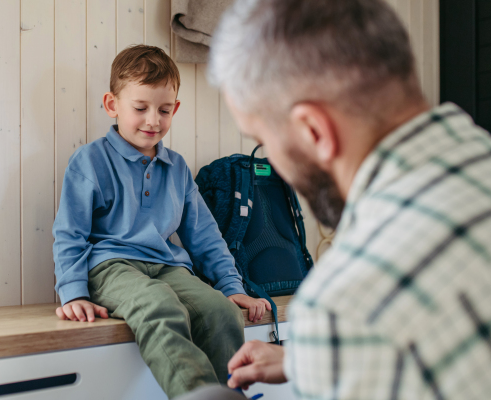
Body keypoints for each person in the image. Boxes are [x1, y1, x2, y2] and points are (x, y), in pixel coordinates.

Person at [176, 0, 491, 399]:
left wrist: (328, 350)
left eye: (265, 141)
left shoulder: (344, 305)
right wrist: (304, 360)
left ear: (313, 130)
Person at [52, 44, 270, 399]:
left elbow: (204, 235)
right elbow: (69, 233)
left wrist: (232, 287)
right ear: (112, 105)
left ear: (175, 109)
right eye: (141, 108)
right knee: (160, 305)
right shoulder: (90, 161)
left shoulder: (177, 167)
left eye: (164, 110)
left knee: (221, 313)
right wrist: (72, 291)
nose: (153, 120)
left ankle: (235, 393)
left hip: (167, 266)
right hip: (111, 266)